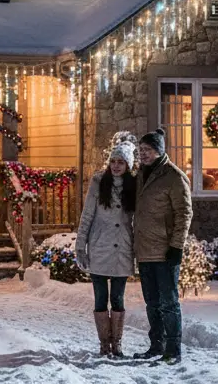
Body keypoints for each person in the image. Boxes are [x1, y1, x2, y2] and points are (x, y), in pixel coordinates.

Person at [132, 128, 193, 364]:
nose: (143, 154)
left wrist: (176, 246)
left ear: (159, 151)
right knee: (152, 303)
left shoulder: (174, 177)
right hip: (145, 251)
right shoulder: (141, 175)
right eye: (141, 150)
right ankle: (156, 345)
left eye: (148, 150)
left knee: (169, 303)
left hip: (165, 251)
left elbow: (184, 213)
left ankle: (173, 350)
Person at [76, 134, 136, 358]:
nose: (116, 166)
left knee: (118, 298)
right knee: (101, 297)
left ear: (128, 165)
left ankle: (117, 343)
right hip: (100, 246)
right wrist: (80, 245)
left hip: (122, 247)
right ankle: (104, 343)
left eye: (121, 162)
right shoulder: (99, 182)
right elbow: (87, 215)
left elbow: (137, 220)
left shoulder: (133, 185)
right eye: (113, 161)